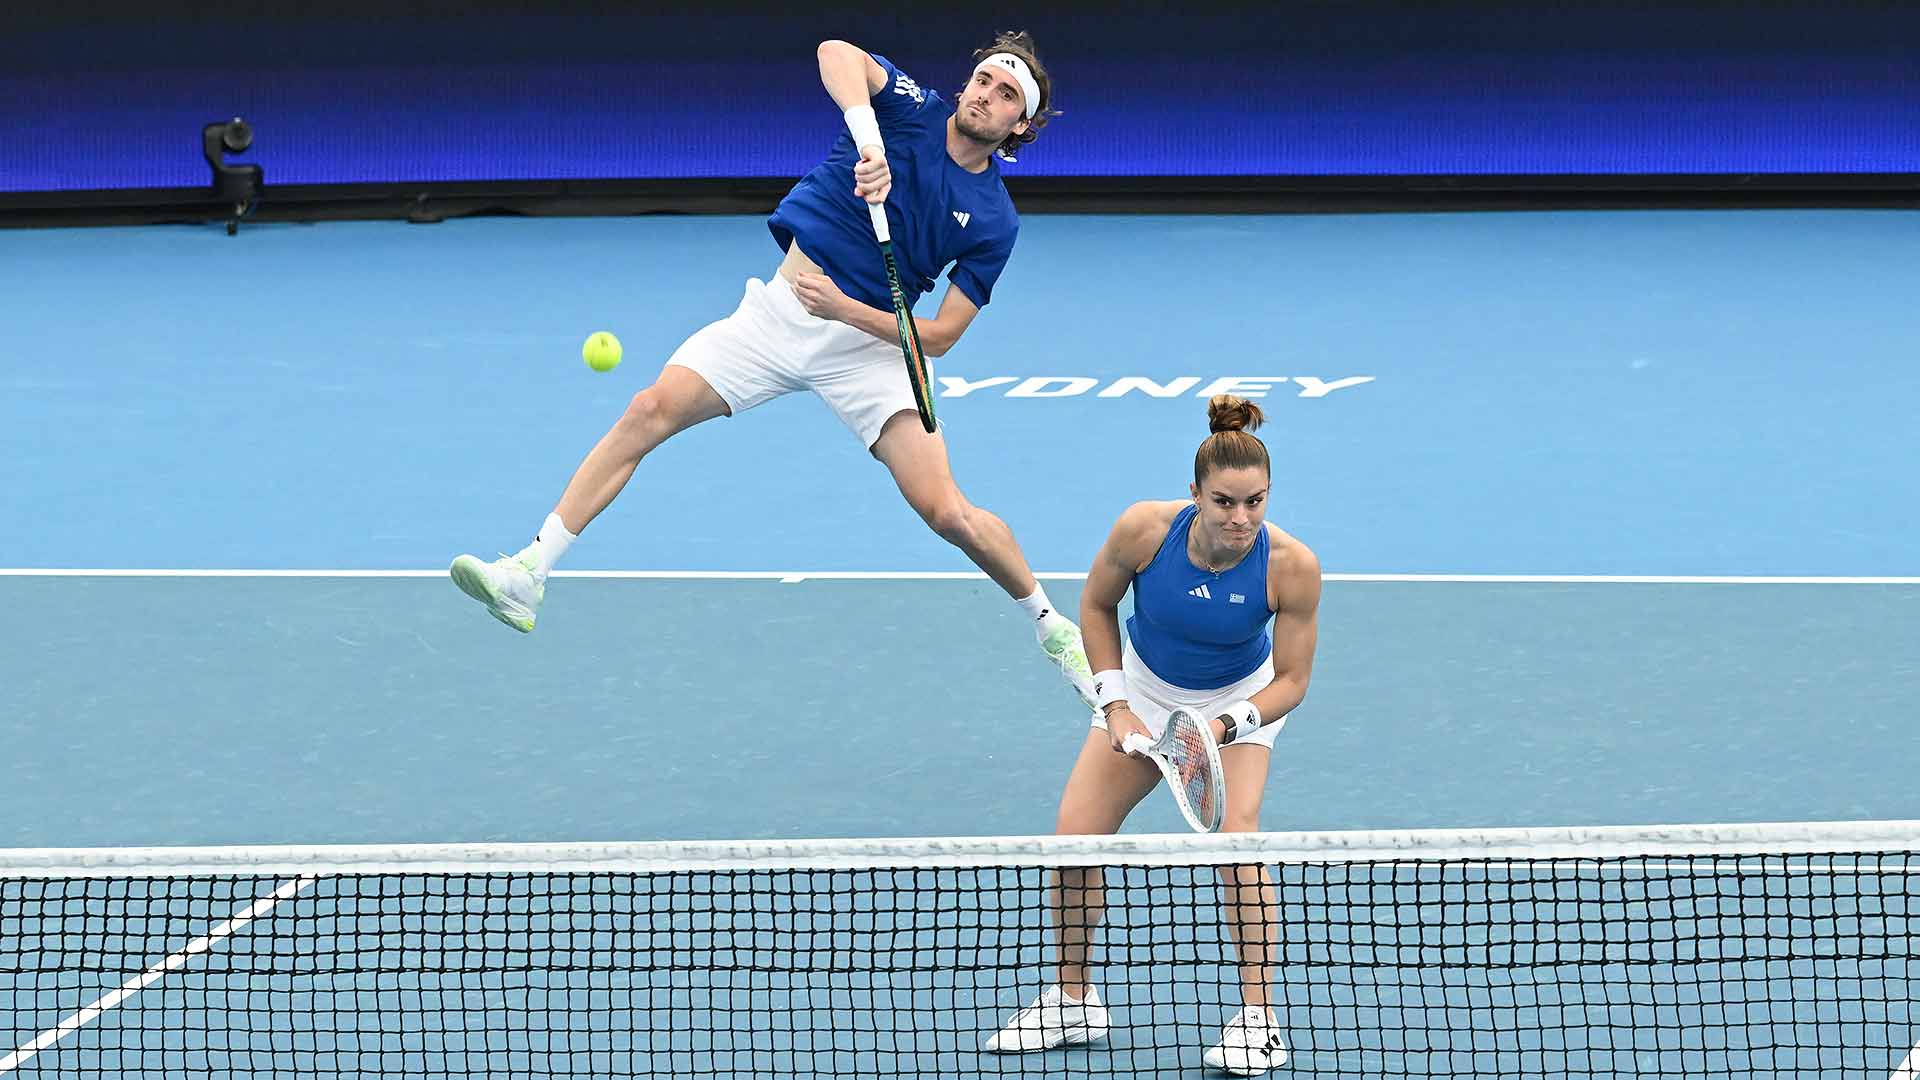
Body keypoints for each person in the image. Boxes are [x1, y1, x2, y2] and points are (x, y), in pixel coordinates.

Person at [447, 32, 1092, 705]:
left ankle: (1055, 629)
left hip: (871, 347)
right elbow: (835, 51)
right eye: (983, 80)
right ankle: (529, 572)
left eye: (1007, 94)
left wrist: (844, 309)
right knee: (648, 409)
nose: (986, 96)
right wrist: (868, 140)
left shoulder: (995, 219)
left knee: (947, 512)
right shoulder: (909, 108)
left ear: (1021, 125)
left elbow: (939, 337)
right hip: (778, 315)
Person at [984, 395, 1323, 1076]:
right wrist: (1115, 704)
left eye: (1255, 502)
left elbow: (1291, 681)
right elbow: (1096, 606)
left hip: (1238, 701)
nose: (1241, 518)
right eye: (1224, 502)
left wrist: (1221, 726)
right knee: (1075, 840)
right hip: (1143, 689)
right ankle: (1073, 1001)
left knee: (1238, 843)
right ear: (1194, 493)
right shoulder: (1145, 531)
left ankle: (1259, 1021)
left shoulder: (1291, 565)